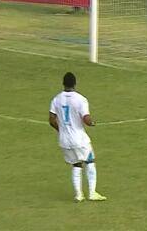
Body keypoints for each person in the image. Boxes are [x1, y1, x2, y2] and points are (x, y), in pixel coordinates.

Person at [49, 72, 107, 202]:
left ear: (63, 83)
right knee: (90, 161)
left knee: (76, 165)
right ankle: (92, 193)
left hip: (64, 140)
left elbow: (51, 119)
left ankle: (78, 195)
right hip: (79, 139)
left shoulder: (56, 99)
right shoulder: (80, 99)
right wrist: (91, 123)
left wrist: (61, 130)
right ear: (75, 83)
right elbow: (86, 118)